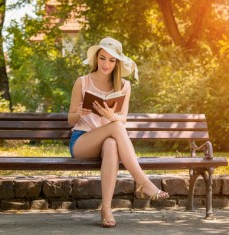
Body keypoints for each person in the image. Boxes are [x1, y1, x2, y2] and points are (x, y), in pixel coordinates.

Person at [68, 37, 169, 228]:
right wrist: (79, 113)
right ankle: (142, 181)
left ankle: (106, 209)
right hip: (82, 141)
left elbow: (123, 117)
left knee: (112, 142)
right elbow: (70, 120)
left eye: (112, 60)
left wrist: (111, 115)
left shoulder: (123, 86)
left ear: (117, 63)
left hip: (107, 141)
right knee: (115, 128)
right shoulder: (82, 82)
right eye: (103, 58)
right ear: (96, 58)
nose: (106, 64)